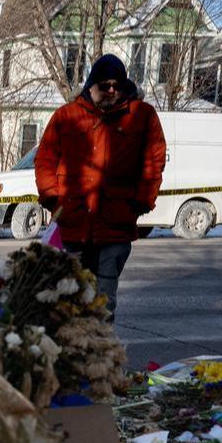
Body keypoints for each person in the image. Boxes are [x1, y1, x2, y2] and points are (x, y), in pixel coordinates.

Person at [35, 54, 166, 320]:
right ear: (90, 85)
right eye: (104, 85)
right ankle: (70, 358)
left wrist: (139, 203)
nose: (111, 90)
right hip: (72, 226)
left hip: (115, 227)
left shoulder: (142, 115)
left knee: (102, 305)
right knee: (67, 303)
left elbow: (154, 161)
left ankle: (100, 358)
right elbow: (45, 159)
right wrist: (53, 198)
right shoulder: (66, 116)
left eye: (116, 85)